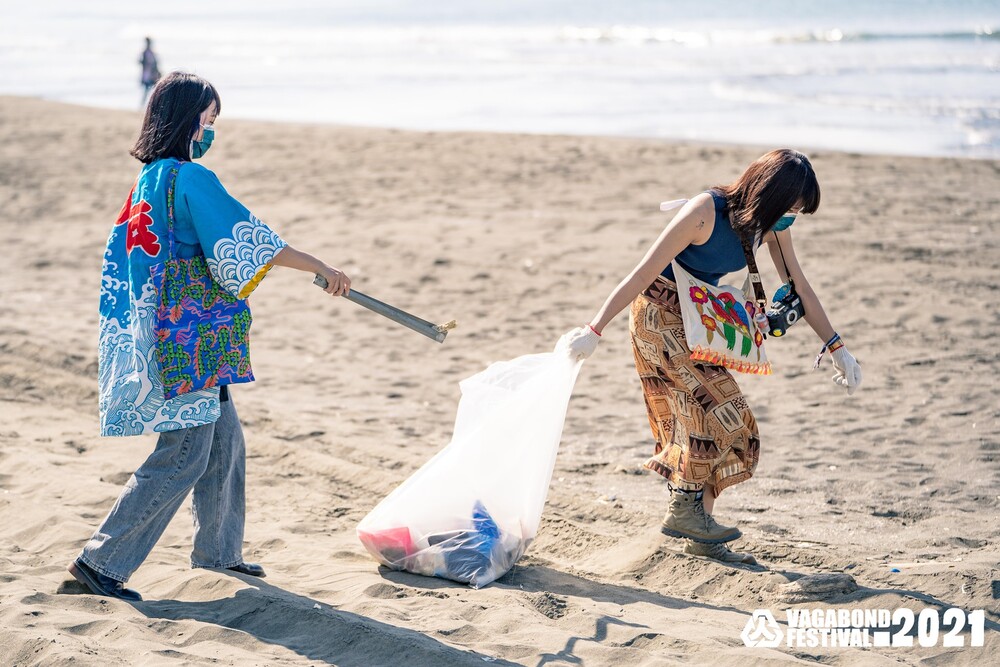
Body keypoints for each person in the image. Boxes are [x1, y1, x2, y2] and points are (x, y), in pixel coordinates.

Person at [69, 71, 352, 601]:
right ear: (186, 121)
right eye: (208, 119)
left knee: (225, 442)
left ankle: (218, 551)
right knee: (184, 453)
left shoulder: (150, 179)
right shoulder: (190, 178)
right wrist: (320, 267)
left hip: (169, 332)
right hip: (190, 339)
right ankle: (101, 562)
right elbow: (249, 240)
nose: (211, 130)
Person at [560, 149, 862, 564]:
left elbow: (801, 288)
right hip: (658, 317)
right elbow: (642, 272)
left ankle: (700, 532)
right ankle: (685, 509)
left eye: (797, 213)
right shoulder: (704, 212)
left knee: (725, 422)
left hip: (700, 318)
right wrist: (594, 329)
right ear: (769, 194)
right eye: (790, 208)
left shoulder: (770, 225)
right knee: (718, 411)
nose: (792, 218)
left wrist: (837, 348)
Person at [139, 37, 161, 106]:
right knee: (153, 91)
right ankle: (147, 105)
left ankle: (147, 105)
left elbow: (154, 64)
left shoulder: (147, 52)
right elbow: (154, 64)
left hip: (149, 75)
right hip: (149, 75)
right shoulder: (147, 53)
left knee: (152, 91)